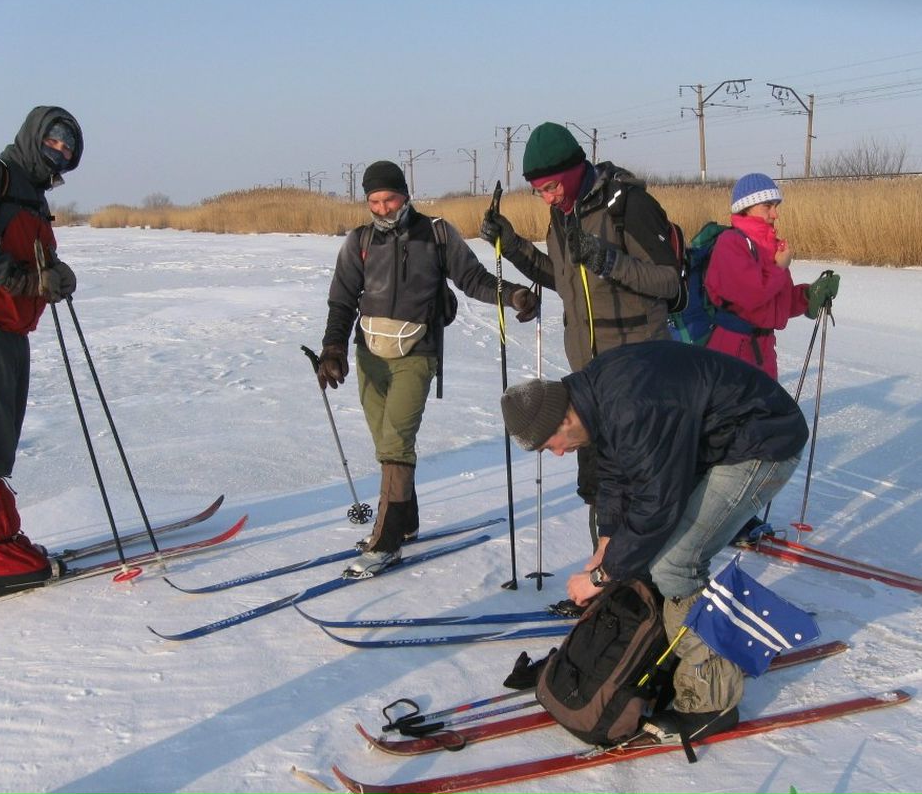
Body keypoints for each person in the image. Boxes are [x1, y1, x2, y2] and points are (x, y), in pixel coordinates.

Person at [500, 340, 808, 738]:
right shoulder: (592, 395)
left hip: (763, 441)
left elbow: (656, 507)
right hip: (715, 441)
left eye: (549, 446)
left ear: (561, 420)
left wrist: (601, 577)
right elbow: (614, 470)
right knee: (643, 554)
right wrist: (607, 540)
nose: (557, 454)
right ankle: (666, 654)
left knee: (675, 562)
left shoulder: (630, 405)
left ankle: (712, 699)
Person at [317, 160, 538, 576]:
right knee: (387, 441)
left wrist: (513, 295)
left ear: (405, 194)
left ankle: (385, 541)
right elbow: (342, 299)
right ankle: (407, 521)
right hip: (369, 354)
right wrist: (333, 349)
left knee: (396, 443)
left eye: (390, 199)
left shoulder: (436, 234)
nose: (383, 209)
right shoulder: (359, 241)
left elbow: (472, 279)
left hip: (416, 353)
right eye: (375, 202)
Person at [479, 121, 681, 547]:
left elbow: (670, 282)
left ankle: (642, 597)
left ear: (573, 172)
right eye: (539, 191)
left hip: (640, 377)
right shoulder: (562, 216)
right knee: (601, 495)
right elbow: (564, 280)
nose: (548, 197)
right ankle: (609, 590)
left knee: (643, 495)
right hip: (590, 384)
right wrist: (513, 246)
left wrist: (610, 261)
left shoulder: (628, 205)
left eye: (552, 186)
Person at [0, 106, 82, 590]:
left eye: (68, 146)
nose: (60, 149)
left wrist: (55, 274)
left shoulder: (33, 201)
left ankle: (0, 540)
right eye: (55, 139)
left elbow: (32, 257)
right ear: (33, 136)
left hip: (10, 332)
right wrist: (28, 280)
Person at [703, 172, 840, 380]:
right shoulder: (730, 243)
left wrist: (809, 295)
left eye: (776, 206)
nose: (775, 214)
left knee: (768, 411)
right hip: (734, 349)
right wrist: (779, 266)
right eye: (768, 206)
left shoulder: (772, 247)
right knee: (736, 412)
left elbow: (778, 303)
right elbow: (753, 295)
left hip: (764, 350)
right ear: (746, 207)